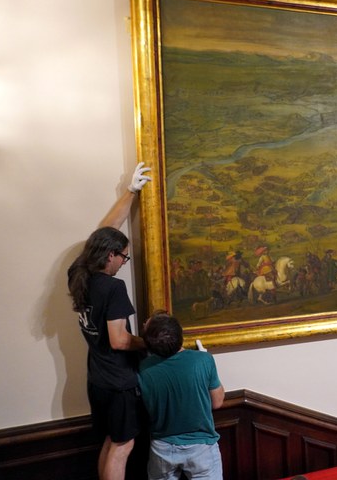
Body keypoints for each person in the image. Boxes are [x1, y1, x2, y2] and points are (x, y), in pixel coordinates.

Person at [67, 162, 152, 480]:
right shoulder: (113, 288)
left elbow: (102, 233)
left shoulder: (79, 273)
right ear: (110, 256)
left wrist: (130, 192)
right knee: (123, 445)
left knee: (111, 441)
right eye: (123, 256)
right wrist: (150, 343)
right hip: (118, 383)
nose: (124, 262)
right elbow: (119, 341)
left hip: (97, 380)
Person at [138, 312, 225, 480]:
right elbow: (217, 402)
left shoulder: (144, 368)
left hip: (162, 447)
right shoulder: (203, 359)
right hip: (201, 446)